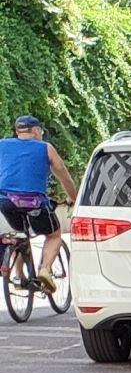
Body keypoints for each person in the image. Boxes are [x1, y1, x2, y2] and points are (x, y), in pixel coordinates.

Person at [0, 114, 75, 295]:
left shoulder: (2, 145)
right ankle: (45, 270)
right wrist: (73, 196)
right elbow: (62, 172)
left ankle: (18, 276)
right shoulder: (45, 148)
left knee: (19, 235)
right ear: (35, 131)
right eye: (40, 131)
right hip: (34, 202)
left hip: (5, 201)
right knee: (54, 234)